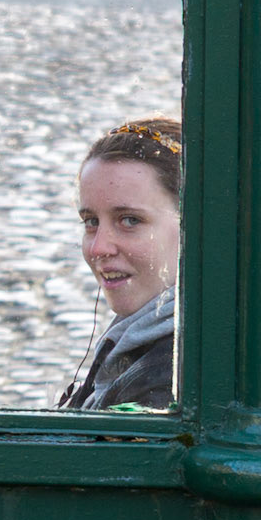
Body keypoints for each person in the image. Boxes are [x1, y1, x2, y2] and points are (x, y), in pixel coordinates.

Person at [59, 116, 180, 411]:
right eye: (91, 222)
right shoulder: (148, 327)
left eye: (129, 220)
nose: (99, 248)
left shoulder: (168, 381)